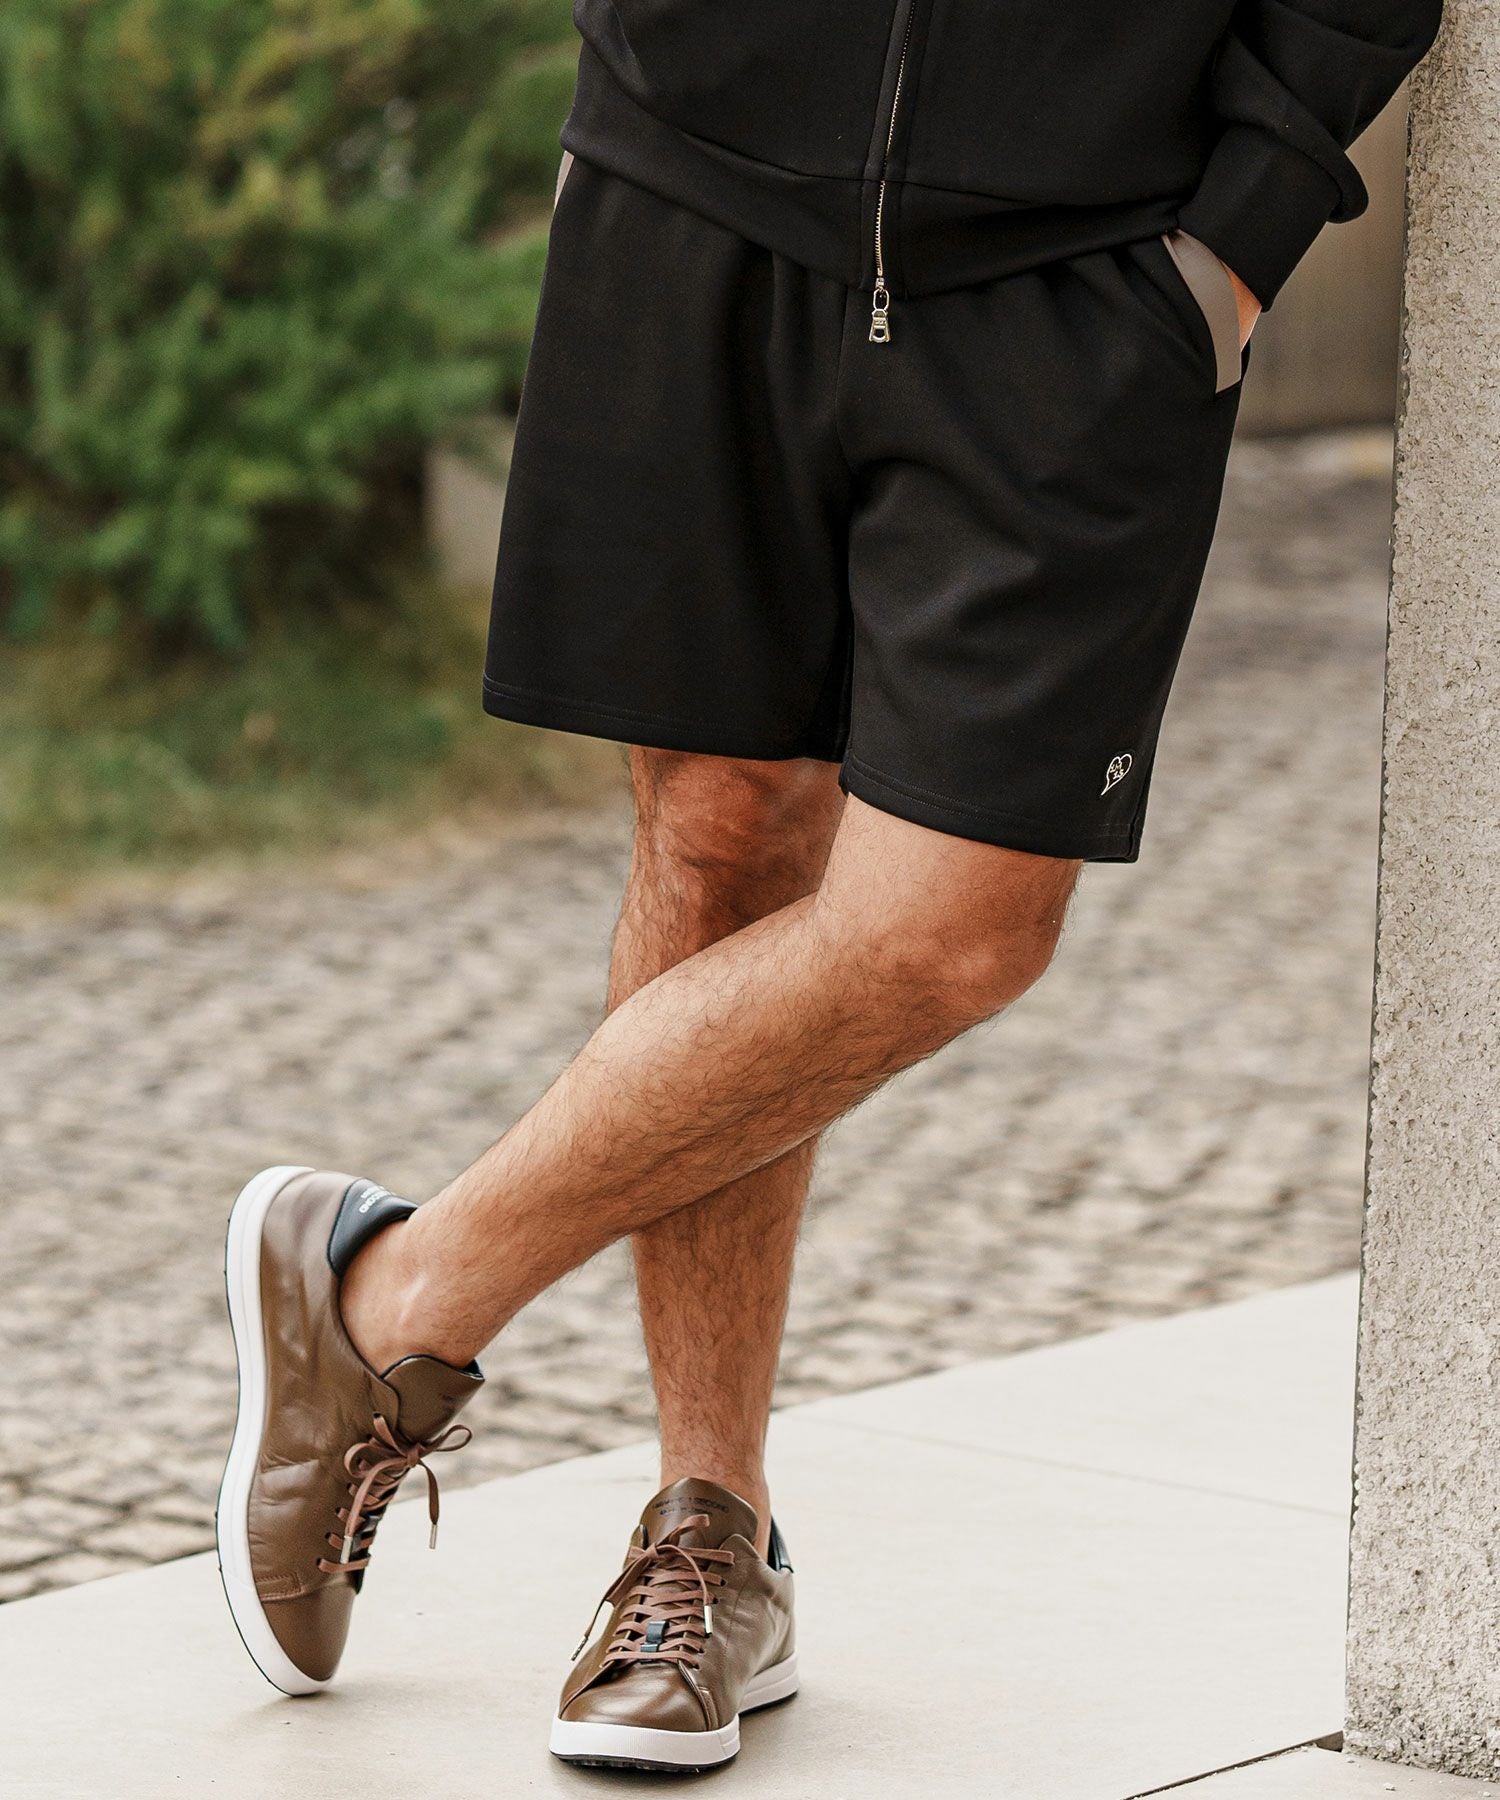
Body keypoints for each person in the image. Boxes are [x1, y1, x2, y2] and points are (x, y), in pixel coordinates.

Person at [215, 0, 1442, 1774]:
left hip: (1091, 259)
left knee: (956, 926)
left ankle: (393, 1299)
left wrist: (1237, 236)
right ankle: (707, 1534)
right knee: (717, 828)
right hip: (693, 182)